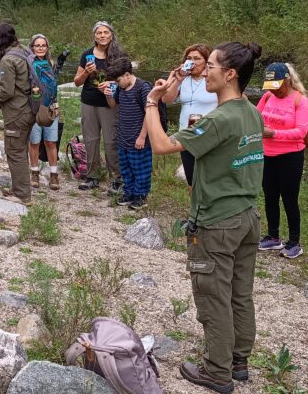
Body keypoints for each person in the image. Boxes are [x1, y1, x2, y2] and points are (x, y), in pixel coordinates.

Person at [145, 41, 265, 394]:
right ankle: (238, 360)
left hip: (217, 221)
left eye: (210, 65)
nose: (204, 70)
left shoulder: (219, 118)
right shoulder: (250, 111)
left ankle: (217, 371)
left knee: (214, 297)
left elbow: (161, 146)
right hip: (247, 217)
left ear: (230, 74)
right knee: (239, 293)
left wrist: (152, 102)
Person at [255, 62, 308, 259]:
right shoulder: (267, 96)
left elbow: (301, 132)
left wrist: (273, 133)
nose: (274, 91)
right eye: (270, 86)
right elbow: (256, 117)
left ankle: (294, 242)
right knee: (270, 196)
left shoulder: (299, 100)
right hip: (267, 154)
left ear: (287, 80)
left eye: (277, 86)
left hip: (290, 157)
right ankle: (273, 236)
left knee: (289, 199)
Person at [73, 21, 125, 193]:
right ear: (94, 36)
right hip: (89, 102)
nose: (102, 35)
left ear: (111, 35)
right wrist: (86, 72)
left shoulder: (119, 55)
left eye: (105, 32)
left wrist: (111, 84)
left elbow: (127, 80)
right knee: (91, 140)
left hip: (110, 103)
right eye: (99, 33)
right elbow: (77, 82)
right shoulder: (87, 55)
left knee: (111, 141)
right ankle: (92, 176)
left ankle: (116, 178)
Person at [160, 44, 216, 188]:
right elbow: (166, 99)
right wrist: (177, 80)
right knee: (191, 178)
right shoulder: (183, 78)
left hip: (208, 133)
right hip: (186, 133)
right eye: (189, 58)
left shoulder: (213, 79)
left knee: (208, 178)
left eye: (197, 58)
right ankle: (194, 202)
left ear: (207, 61)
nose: (192, 62)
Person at [0, 24, 36, 203]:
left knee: (14, 151)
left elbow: (7, 91)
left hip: (17, 112)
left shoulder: (8, 59)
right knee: (21, 149)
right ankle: (18, 187)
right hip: (31, 108)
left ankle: (22, 194)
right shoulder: (24, 50)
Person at [104, 56, 154, 210]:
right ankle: (129, 193)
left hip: (138, 138)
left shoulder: (143, 88)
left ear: (127, 74)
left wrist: (142, 136)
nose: (117, 83)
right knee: (126, 169)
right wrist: (108, 94)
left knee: (141, 170)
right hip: (123, 137)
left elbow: (149, 114)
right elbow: (113, 105)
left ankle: (141, 196)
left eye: (118, 80)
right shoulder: (121, 88)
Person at [27, 34, 61, 190]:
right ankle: (34, 172)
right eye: (37, 45)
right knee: (34, 141)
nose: (40, 48)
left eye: (43, 45)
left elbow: (54, 85)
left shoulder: (52, 64)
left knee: (51, 142)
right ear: (32, 47)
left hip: (51, 106)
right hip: (34, 107)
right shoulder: (28, 63)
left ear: (47, 47)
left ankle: (54, 175)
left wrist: (56, 104)